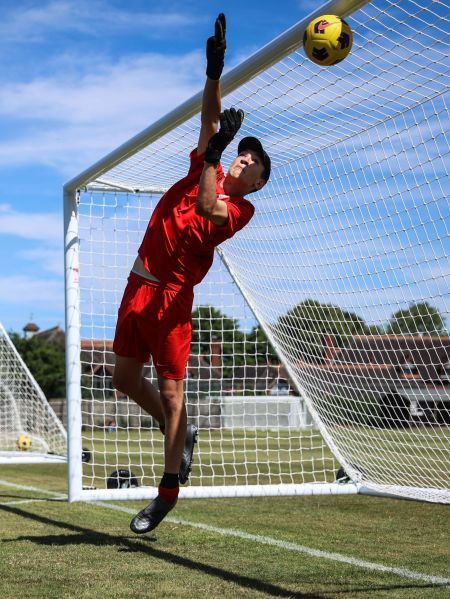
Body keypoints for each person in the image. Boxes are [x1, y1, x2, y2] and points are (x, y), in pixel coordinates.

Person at [112, 12, 271, 534]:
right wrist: (213, 71)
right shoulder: (209, 161)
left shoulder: (238, 210)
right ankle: (180, 432)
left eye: (252, 165)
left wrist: (217, 155)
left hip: (173, 303)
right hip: (137, 289)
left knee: (174, 394)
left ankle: (166, 493)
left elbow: (207, 206)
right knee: (123, 380)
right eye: (242, 155)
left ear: (256, 184)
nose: (243, 161)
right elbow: (210, 120)